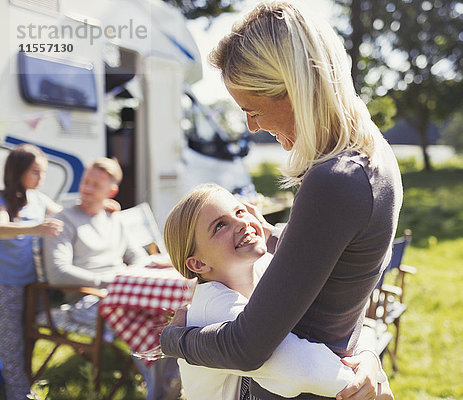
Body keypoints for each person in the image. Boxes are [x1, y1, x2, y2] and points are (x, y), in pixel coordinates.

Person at [160, 2, 403, 399]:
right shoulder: (375, 160)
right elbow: (339, 276)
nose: (252, 126)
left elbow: (247, 346)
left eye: (252, 110)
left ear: (294, 89)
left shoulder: (333, 181)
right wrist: (363, 351)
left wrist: (175, 339)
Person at [162, 184, 391, 399]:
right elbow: (298, 364)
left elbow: (337, 311)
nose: (242, 223)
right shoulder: (213, 309)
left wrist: (367, 357)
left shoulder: (265, 269)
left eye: (240, 212)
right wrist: (366, 386)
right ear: (198, 264)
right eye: (220, 225)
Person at [43, 157, 177, 400]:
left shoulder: (113, 218)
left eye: (95, 185)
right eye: (86, 181)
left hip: (120, 292)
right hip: (86, 300)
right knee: (149, 323)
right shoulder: (65, 221)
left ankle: (170, 381)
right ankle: (160, 390)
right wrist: (109, 280)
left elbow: (135, 255)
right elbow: (57, 273)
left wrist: (128, 277)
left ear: (111, 191)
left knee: (168, 318)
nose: (87, 188)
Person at [0, 144, 63, 400]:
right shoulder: (3, 199)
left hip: (32, 284)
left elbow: (66, 215)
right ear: (18, 171)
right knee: (11, 341)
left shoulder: (39, 198)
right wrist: (34, 227)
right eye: (36, 172)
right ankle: (17, 394)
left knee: (27, 337)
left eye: (43, 172)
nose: (41, 178)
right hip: (6, 285)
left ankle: (17, 382)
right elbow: (1, 228)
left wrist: (100, 204)